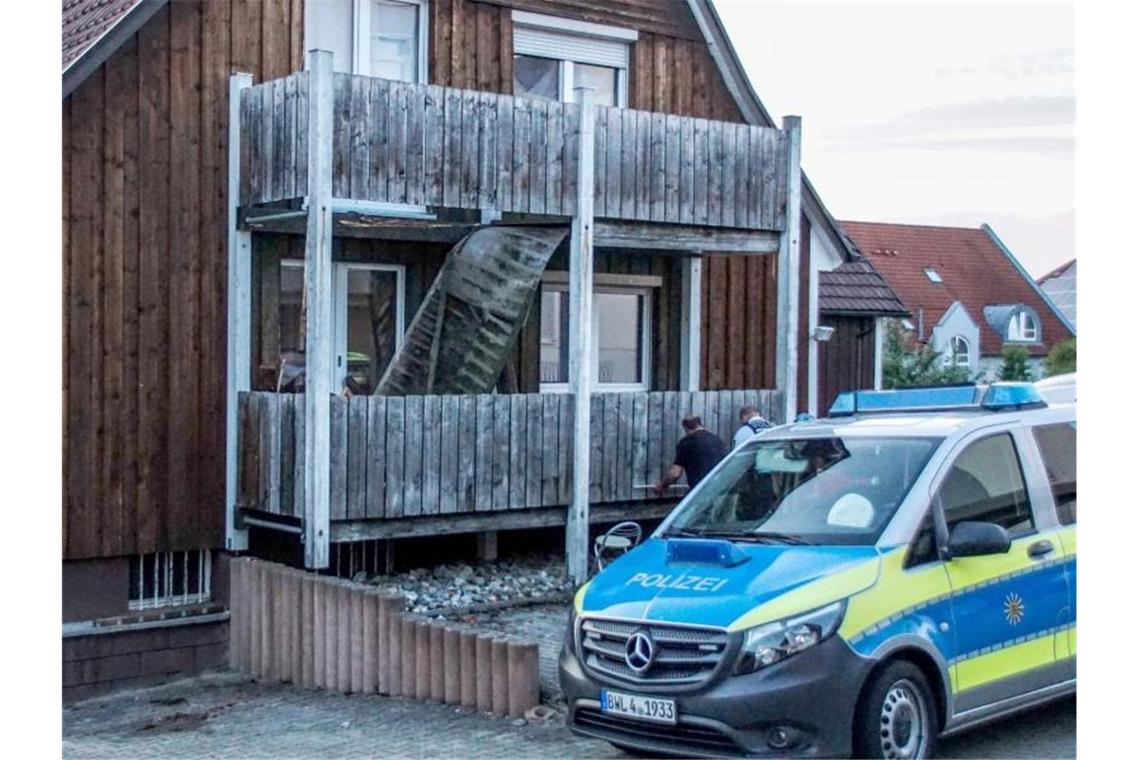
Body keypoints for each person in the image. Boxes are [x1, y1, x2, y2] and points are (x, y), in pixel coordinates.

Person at [653, 416, 727, 495]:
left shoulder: (686, 443)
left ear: (685, 428)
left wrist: (662, 486)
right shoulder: (717, 440)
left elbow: (675, 473)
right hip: (719, 488)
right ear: (700, 424)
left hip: (699, 490)